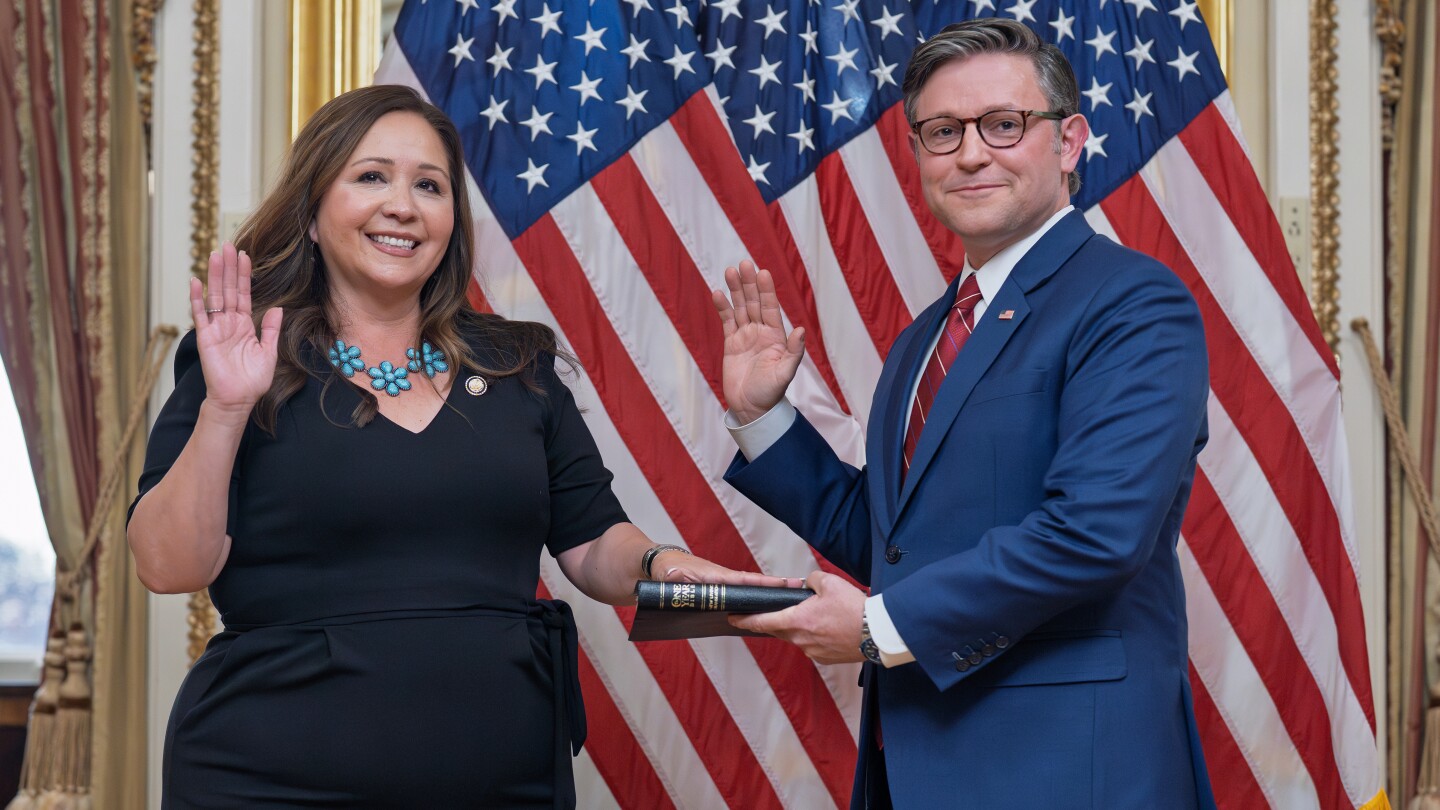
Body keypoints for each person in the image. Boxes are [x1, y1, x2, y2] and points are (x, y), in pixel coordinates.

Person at [128, 84, 783, 809]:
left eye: (429, 185)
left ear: (451, 222)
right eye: (371, 176)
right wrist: (226, 408)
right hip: (266, 779)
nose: (402, 204)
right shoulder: (243, 360)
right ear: (312, 212)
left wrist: (669, 567)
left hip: (503, 777)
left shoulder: (517, 365)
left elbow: (593, 544)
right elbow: (167, 566)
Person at [714, 19, 1217, 809]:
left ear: (1070, 140)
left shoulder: (1134, 303)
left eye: (1004, 125)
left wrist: (880, 629)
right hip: (920, 764)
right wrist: (762, 418)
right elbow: (899, 543)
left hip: (1068, 770)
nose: (971, 153)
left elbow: (1095, 534)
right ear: (917, 155)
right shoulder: (926, 338)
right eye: (943, 132)